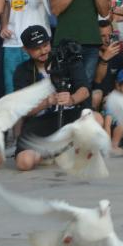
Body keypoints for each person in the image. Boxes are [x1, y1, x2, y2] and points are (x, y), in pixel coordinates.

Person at [12, 25, 90, 171]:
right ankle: (52, 152)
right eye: (36, 48)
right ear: (25, 50)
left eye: (45, 45)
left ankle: (64, 148)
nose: (43, 51)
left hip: (68, 116)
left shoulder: (67, 58)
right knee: (24, 162)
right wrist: (47, 102)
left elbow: (84, 90)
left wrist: (71, 99)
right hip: (39, 122)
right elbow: (22, 110)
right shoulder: (22, 71)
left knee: (96, 118)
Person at [89, 19, 123, 112]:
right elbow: (97, 81)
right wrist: (104, 59)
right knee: (97, 95)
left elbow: (119, 82)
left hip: (110, 97)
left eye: (110, 35)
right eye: (103, 36)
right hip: (93, 97)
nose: (107, 40)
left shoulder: (118, 56)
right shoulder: (90, 56)